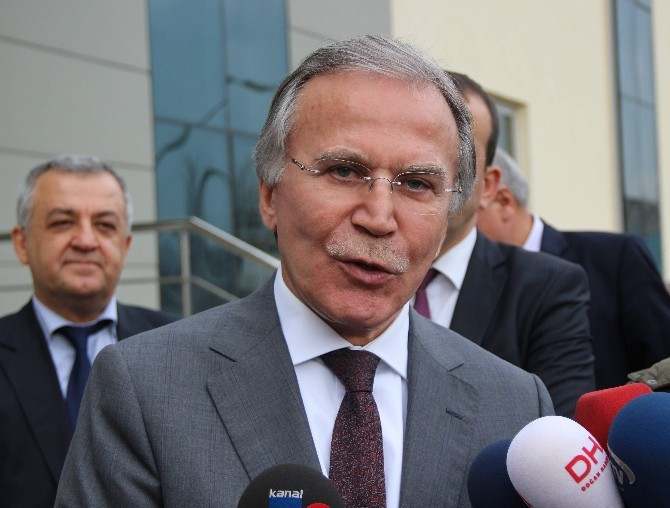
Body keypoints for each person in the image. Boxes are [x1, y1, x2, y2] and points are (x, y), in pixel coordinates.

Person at [56, 36, 553, 508]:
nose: (379, 217)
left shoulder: (515, 409)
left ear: (448, 218)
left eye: (417, 183)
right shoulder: (145, 389)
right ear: (270, 195)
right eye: (344, 171)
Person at [414, 72, 595, 418]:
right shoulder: (349, 275)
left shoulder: (545, 288)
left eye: (457, 151)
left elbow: (559, 432)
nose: (428, 167)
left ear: (490, 186)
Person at [0, 154, 177, 508]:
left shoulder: (179, 346)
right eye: (63, 222)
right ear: (21, 243)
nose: (85, 240)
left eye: (105, 225)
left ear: (125, 246)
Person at [478, 147, 670, 389]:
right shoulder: (457, 283)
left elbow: (663, 365)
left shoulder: (615, 259)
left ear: (503, 201)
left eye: (466, 210)